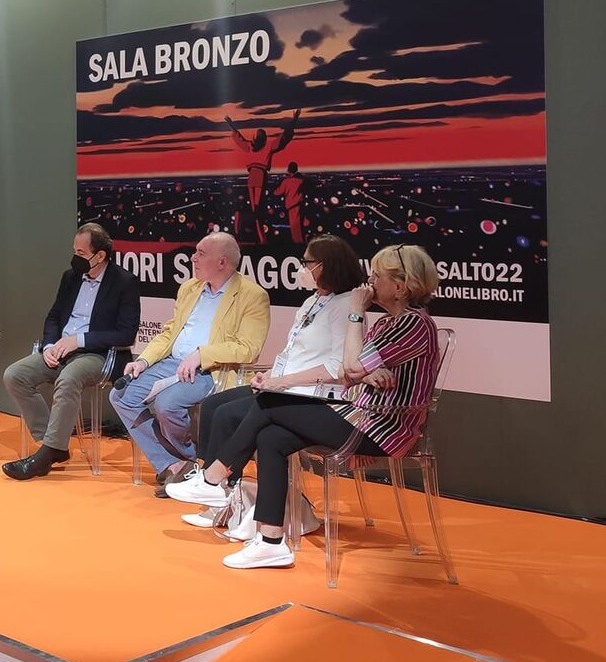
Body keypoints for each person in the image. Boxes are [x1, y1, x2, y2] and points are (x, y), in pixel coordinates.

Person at [166, 244, 442, 570]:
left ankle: (214, 479)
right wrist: (365, 371)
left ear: (399, 287)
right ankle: (270, 542)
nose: (370, 282)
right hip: (358, 414)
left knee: (270, 401)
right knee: (271, 437)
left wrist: (356, 316)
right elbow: (352, 370)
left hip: (383, 426)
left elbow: (350, 366)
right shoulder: (386, 324)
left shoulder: (414, 324)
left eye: (378, 276)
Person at [183, 234, 362, 535]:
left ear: (325, 266)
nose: (301, 268)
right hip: (283, 386)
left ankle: (220, 486)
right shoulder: (312, 301)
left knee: (230, 415)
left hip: (311, 394)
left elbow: (337, 367)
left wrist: (281, 381)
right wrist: (269, 376)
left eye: (307, 263)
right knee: (214, 404)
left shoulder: (345, 306)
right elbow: (292, 352)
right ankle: (217, 492)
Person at [108, 233, 268, 491]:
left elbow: (248, 348)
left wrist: (202, 355)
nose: (193, 258)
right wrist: (144, 361)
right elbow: (170, 333)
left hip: (211, 370)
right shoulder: (189, 288)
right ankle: (177, 464)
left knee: (167, 404)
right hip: (172, 362)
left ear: (222, 262)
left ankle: (187, 466)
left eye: (201, 253)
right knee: (121, 395)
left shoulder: (252, 295)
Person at [1, 223, 141, 481]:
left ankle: (47, 454)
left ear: (100, 255)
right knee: (15, 375)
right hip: (61, 350)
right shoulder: (70, 277)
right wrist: (49, 346)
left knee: (68, 378)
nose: (75, 258)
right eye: (74, 251)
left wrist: (79, 340)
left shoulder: (124, 282)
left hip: (99, 355)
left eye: (81, 253)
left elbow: (126, 334)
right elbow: (54, 316)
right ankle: (52, 444)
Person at [224, 108, 300, 242]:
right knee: (257, 209)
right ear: (264, 138)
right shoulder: (267, 146)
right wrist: (294, 121)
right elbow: (283, 138)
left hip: (252, 177)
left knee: (255, 209)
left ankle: (256, 234)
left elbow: (239, 138)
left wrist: (231, 125)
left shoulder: (250, 146)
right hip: (259, 176)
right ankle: (260, 237)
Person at [274, 162, 307, 244]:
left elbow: (278, 192)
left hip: (292, 206)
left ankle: (298, 242)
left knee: (295, 227)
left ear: (289, 170)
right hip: (300, 204)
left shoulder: (286, 181)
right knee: (300, 225)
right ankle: (301, 242)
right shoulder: (301, 181)